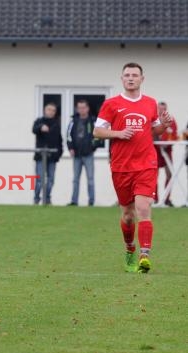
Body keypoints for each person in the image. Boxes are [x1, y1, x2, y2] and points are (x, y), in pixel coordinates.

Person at [93, 62, 171, 273]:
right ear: (122, 79)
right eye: (127, 75)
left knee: (143, 208)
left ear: (141, 79)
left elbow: (155, 130)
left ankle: (145, 255)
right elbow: (97, 132)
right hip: (121, 165)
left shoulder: (150, 103)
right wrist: (118, 133)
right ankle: (130, 248)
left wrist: (164, 124)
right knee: (128, 214)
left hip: (146, 163)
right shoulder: (111, 104)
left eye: (134, 75)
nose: (130, 78)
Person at [66, 99, 98, 206]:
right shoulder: (73, 121)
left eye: (83, 107)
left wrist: (92, 147)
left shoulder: (93, 121)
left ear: (87, 108)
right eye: (79, 108)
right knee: (75, 179)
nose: (81, 110)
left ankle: (91, 201)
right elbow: (68, 135)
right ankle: (74, 201)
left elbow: (98, 136)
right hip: (77, 155)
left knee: (90, 179)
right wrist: (70, 148)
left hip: (89, 155)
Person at [32, 103, 63, 205]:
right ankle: (36, 199)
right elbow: (34, 129)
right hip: (40, 156)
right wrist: (41, 127)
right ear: (45, 110)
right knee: (39, 180)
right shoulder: (39, 121)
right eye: (49, 109)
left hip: (53, 157)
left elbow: (59, 140)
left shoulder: (57, 123)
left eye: (53, 110)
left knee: (51, 180)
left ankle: (47, 199)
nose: (51, 112)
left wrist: (59, 153)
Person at [154, 101, 178, 207]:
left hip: (167, 151)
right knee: (153, 176)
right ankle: (155, 199)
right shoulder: (153, 120)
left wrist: (169, 141)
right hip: (155, 151)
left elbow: (175, 135)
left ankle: (166, 199)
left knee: (170, 174)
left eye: (164, 109)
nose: (162, 111)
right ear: (157, 109)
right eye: (160, 109)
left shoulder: (171, 120)